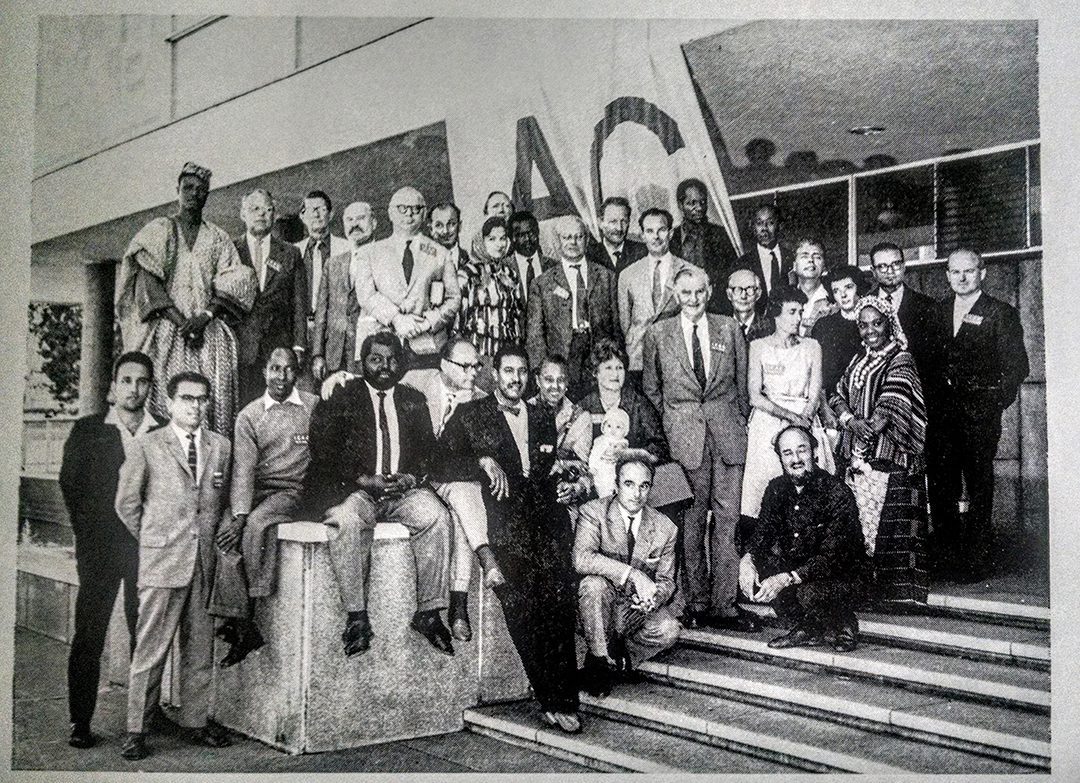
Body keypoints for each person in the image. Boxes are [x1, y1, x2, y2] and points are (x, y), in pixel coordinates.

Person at [436, 345, 583, 734]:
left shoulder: (542, 416)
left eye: (521, 372)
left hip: (547, 525)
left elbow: (544, 469)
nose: (515, 379)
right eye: (508, 371)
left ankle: (566, 698)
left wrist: (566, 484)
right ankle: (549, 697)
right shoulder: (471, 414)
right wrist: (480, 461)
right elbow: (437, 462)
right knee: (521, 608)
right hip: (504, 527)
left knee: (559, 605)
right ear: (494, 374)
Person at [299, 332, 454, 657]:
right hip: (358, 490)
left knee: (436, 515)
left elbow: (429, 453)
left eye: (392, 360)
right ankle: (357, 618)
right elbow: (323, 449)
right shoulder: (342, 396)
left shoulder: (413, 399)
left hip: (401, 492)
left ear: (402, 364)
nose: (385, 366)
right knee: (346, 520)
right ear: (362, 363)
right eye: (376, 359)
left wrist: (412, 477)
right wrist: (363, 479)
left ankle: (428, 613)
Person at [115, 372, 233, 761]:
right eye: (186, 398)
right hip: (162, 561)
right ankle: (136, 730)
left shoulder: (220, 446)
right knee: (151, 650)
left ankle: (195, 722)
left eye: (202, 399)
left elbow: (219, 500)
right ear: (169, 403)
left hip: (203, 562)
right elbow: (126, 504)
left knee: (199, 648)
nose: (195, 406)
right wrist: (156, 539)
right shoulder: (148, 445)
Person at [60, 352, 165, 749]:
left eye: (142, 381)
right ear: (113, 387)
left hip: (146, 549)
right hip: (99, 550)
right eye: (126, 380)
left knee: (146, 633)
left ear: (150, 388)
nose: (134, 389)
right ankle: (80, 721)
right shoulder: (88, 430)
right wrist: (88, 536)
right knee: (90, 633)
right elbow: (71, 485)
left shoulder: (162, 430)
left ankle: (145, 716)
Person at [642, 266, 754, 631]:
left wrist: (735, 422)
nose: (693, 299)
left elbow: (742, 385)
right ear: (676, 295)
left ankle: (725, 605)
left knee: (728, 521)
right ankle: (696, 603)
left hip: (727, 438)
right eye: (686, 293)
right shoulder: (658, 333)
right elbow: (652, 389)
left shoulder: (729, 328)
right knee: (690, 524)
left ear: (709, 292)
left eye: (699, 292)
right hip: (684, 441)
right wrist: (675, 424)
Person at [115, 161, 257, 435]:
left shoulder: (218, 237)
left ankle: (210, 458)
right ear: (177, 190)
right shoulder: (160, 230)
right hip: (167, 330)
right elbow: (148, 282)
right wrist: (182, 323)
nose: (193, 193)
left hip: (208, 333)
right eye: (187, 187)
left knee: (211, 402)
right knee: (165, 400)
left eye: (200, 189)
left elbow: (235, 280)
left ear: (207, 195)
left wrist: (204, 317)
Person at [210, 348, 318, 667]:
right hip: (255, 489)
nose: (281, 377)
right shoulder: (249, 415)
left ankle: (246, 616)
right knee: (225, 533)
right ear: (264, 372)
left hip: (291, 491)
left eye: (288, 369)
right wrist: (237, 516)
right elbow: (243, 470)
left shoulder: (313, 406)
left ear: (297, 373)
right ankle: (242, 623)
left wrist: (246, 520)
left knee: (257, 525)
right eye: (274, 368)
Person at [927, 248, 1029, 582]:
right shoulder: (938, 311)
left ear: (982, 273)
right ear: (947, 275)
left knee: (978, 487)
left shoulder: (1000, 313)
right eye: (955, 271)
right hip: (941, 417)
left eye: (969, 271)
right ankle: (945, 559)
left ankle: (975, 561)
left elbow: (1017, 366)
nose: (962, 277)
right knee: (942, 486)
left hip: (978, 418)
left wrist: (992, 403)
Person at [830, 297, 929, 603]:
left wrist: (864, 434)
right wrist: (850, 420)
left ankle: (894, 595)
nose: (870, 330)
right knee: (858, 523)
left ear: (889, 323)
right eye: (863, 325)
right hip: (857, 454)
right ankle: (863, 591)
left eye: (877, 323)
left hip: (888, 454)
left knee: (888, 524)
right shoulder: (859, 359)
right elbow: (837, 393)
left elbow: (891, 405)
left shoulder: (901, 358)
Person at [740, 426, 869, 653]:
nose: (796, 459)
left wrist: (787, 578)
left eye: (802, 450)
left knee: (808, 592)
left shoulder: (836, 491)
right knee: (761, 568)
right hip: (800, 572)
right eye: (787, 453)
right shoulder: (776, 488)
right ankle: (808, 628)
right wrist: (747, 560)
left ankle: (844, 623)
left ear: (815, 452)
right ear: (780, 458)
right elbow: (763, 533)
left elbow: (833, 556)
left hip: (840, 573)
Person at [410, 336, 504, 643]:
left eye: (476, 366)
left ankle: (460, 607)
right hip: (416, 477)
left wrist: (482, 452)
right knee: (465, 498)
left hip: (451, 480)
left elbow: (481, 448)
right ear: (443, 364)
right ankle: (472, 580)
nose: (473, 372)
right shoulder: (415, 382)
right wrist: (337, 378)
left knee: (464, 499)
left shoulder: (480, 399)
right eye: (465, 366)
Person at [575, 451, 680, 697]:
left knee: (669, 629)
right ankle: (599, 662)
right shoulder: (593, 512)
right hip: (598, 606)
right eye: (629, 484)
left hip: (633, 612)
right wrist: (633, 574)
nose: (637, 493)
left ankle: (622, 657)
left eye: (644, 486)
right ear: (616, 485)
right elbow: (581, 559)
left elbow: (666, 581)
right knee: (593, 584)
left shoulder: (665, 528)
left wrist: (653, 598)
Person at [741, 286, 834, 523]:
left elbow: (815, 394)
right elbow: (755, 396)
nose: (798, 318)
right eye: (792, 312)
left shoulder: (812, 346)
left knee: (809, 495)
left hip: (806, 421)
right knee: (768, 497)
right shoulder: (758, 347)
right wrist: (791, 419)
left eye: (801, 312)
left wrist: (803, 422)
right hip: (768, 425)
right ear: (776, 314)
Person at [352, 186, 462, 385]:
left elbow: (454, 299)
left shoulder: (440, 253)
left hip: (427, 347)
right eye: (402, 208)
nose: (409, 214)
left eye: (416, 209)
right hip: (380, 345)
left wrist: (429, 322)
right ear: (390, 213)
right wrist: (396, 319)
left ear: (424, 213)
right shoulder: (369, 253)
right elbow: (366, 295)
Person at [526, 214, 619, 401]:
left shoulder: (606, 277)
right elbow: (535, 334)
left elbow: (616, 326)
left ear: (587, 240)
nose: (573, 242)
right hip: (562, 357)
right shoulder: (542, 283)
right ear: (557, 241)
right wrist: (543, 370)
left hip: (598, 355)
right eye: (567, 237)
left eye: (579, 236)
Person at [232, 188, 307, 405]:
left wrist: (299, 345)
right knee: (243, 407)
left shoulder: (291, 253)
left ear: (274, 215)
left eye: (268, 210)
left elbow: (299, 304)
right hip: (240, 347)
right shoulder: (230, 251)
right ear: (243, 214)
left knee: (277, 408)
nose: (261, 214)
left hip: (278, 349)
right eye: (255, 209)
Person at [617, 207, 692, 389]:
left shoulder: (689, 271)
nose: (656, 237)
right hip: (638, 361)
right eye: (649, 231)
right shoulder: (627, 275)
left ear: (671, 233)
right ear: (642, 236)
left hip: (675, 359)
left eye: (661, 230)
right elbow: (625, 323)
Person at [455, 215, 524, 388]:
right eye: (492, 239)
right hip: (478, 356)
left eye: (503, 238)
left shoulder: (510, 274)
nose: (499, 244)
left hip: (506, 358)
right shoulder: (467, 274)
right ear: (481, 241)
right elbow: (458, 322)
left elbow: (516, 318)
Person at [310, 201, 371, 382]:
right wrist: (318, 354)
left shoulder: (385, 258)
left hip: (369, 353)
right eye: (349, 220)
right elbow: (321, 312)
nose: (355, 224)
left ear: (374, 223)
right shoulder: (333, 263)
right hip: (334, 355)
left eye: (361, 218)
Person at [868, 242, 937, 392]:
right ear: (873, 271)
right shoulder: (864, 306)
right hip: (875, 391)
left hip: (916, 391)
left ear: (904, 266)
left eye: (896, 264)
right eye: (882, 266)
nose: (890, 271)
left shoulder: (927, 306)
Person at [668, 177, 739, 314]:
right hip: (681, 311)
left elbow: (732, 275)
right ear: (680, 205)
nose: (699, 208)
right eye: (692, 203)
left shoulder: (721, 235)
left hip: (715, 310)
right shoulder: (671, 239)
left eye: (703, 202)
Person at [811, 265, 870, 401]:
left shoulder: (871, 325)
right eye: (836, 291)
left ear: (859, 288)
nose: (843, 295)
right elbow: (817, 375)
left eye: (848, 287)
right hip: (830, 401)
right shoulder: (823, 326)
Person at [294, 189, 350, 326]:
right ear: (302, 216)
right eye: (310, 210)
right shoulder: (294, 251)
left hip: (336, 325)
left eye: (321, 209)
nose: (316, 214)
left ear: (331, 214)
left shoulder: (347, 248)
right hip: (302, 325)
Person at [735, 203, 793, 312]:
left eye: (770, 223)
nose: (764, 228)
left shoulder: (791, 257)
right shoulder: (743, 263)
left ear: (780, 226)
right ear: (753, 227)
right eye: (759, 223)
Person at [586, 196, 647, 277]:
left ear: (629, 222)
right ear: (600, 223)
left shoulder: (643, 251)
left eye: (623, 221)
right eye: (613, 222)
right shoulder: (588, 254)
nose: (619, 228)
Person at [509, 210, 557, 305]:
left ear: (538, 232)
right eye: (521, 235)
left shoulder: (554, 266)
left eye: (531, 233)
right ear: (512, 238)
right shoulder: (504, 269)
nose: (527, 239)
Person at [791, 237, 836, 336]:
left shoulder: (834, 299)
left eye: (817, 257)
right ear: (794, 266)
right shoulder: (784, 300)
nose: (811, 260)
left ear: (824, 266)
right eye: (804, 256)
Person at [588, 408, 631, 498]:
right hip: (602, 469)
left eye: (618, 427)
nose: (613, 430)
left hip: (617, 471)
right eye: (609, 426)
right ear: (603, 427)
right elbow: (594, 454)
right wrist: (592, 466)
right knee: (603, 486)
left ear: (625, 430)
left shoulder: (624, 443)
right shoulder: (602, 441)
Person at [726, 267, 774, 343]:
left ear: (758, 294)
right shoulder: (719, 327)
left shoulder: (770, 329)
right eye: (737, 290)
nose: (743, 296)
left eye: (750, 289)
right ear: (729, 294)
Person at [429, 202, 468, 270]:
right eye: (438, 225)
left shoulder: (470, 259)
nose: (445, 231)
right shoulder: (422, 261)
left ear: (459, 226)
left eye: (451, 224)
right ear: (431, 229)